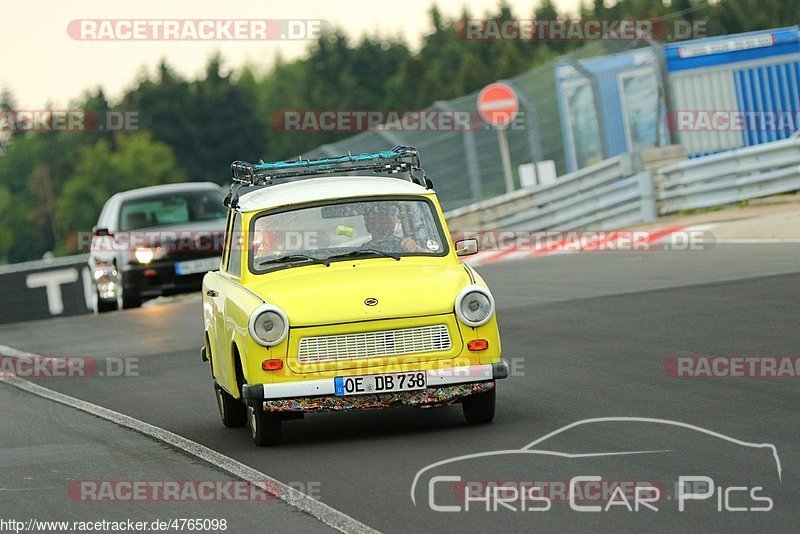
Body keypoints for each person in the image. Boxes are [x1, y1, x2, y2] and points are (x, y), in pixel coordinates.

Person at [362, 205, 427, 253]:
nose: (388, 219)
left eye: (392, 214)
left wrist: (416, 249)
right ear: (368, 222)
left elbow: (433, 258)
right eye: (382, 215)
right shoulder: (361, 253)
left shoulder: (406, 245)